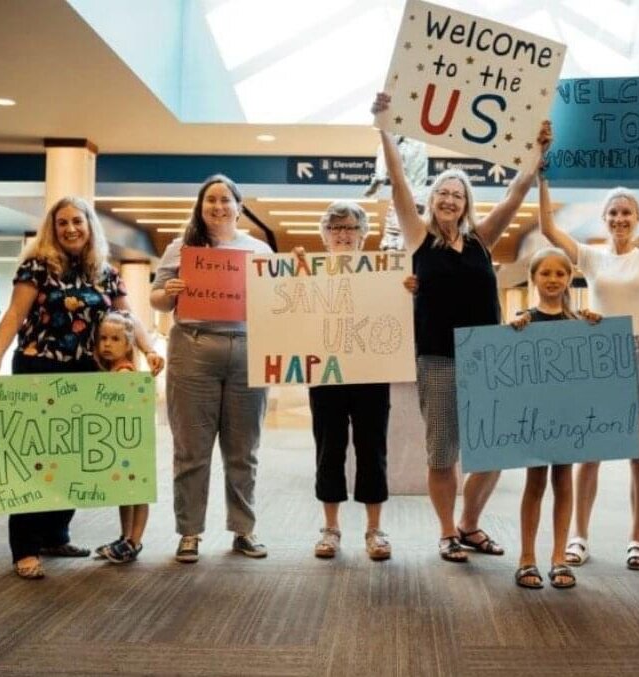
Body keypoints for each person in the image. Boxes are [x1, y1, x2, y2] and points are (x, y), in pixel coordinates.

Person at [372, 92, 552, 562]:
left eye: (458, 194)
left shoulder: (481, 240)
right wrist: (385, 127)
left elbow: (516, 192)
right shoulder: (418, 237)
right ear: (431, 199)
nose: (450, 199)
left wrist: (537, 152)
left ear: (467, 203)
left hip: (487, 357)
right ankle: (448, 531)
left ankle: (471, 523)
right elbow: (396, 182)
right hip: (437, 357)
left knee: (496, 449)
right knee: (442, 452)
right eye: (443, 193)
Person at [0, 196, 163, 579]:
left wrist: (150, 350)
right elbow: (15, 314)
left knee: (73, 458)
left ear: (89, 225)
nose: (70, 229)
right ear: (53, 228)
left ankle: (55, 534)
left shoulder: (105, 272)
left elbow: (128, 317)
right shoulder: (37, 267)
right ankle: (25, 548)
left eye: (77, 221)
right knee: (35, 459)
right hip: (39, 368)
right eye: (62, 223)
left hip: (88, 371)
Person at [539, 171, 639, 571]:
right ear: (604, 218)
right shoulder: (591, 258)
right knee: (590, 453)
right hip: (600, 355)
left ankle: (637, 539)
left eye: (626, 212)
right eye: (612, 212)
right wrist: (541, 177)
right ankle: (579, 536)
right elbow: (547, 227)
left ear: (638, 217)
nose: (619, 218)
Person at [150, 174, 273, 563]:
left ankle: (243, 530)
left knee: (243, 449)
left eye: (225, 200)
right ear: (200, 207)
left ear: (239, 206)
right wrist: (167, 294)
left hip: (248, 348)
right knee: (191, 448)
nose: (218, 207)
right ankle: (189, 533)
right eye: (210, 201)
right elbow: (157, 300)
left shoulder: (258, 250)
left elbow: (279, 301)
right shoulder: (181, 248)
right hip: (193, 347)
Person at [296, 201, 393, 561]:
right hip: (325, 373)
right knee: (328, 449)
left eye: (350, 227)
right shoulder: (309, 271)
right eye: (335, 228)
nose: (343, 234)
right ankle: (331, 528)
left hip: (371, 372)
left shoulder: (382, 272)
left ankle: (374, 530)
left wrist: (405, 288)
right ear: (324, 235)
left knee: (373, 449)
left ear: (362, 234)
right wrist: (292, 273)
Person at [509, 247, 601, 589]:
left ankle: (559, 558)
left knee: (564, 482)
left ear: (569, 279)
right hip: (537, 416)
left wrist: (595, 328)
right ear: (533, 278)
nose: (552, 279)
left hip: (568, 415)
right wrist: (512, 329)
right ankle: (526, 558)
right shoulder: (524, 320)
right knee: (535, 483)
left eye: (560, 274)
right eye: (545, 273)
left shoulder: (581, 323)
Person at [93, 310, 152, 564]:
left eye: (115, 339)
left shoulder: (124, 373)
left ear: (128, 345)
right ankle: (125, 536)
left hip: (132, 442)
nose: (107, 344)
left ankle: (134, 540)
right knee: (124, 491)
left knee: (137, 492)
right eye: (103, 338)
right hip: (120, 440)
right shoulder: (110, 371)